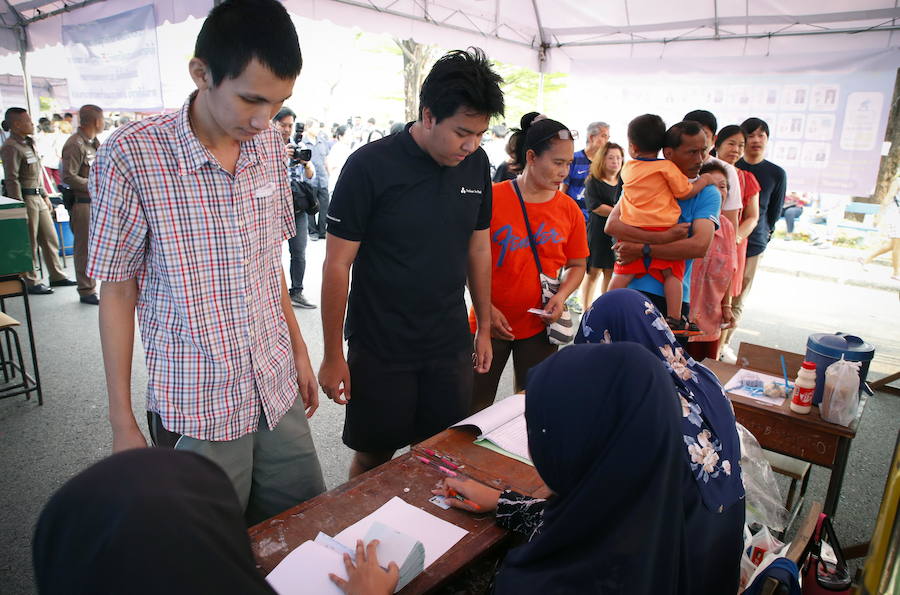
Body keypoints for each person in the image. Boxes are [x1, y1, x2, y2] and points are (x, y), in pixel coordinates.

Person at [87, 0, 325, 524]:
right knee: (207, 548)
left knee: (302, 520)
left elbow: (268, 264)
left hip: (272, 376)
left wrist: (300, 352)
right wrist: (121, 418)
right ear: (201, 74)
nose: (265, 119)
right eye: (250, 100)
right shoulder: (132, 155)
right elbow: (118, 291)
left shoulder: (267, 145)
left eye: (280, 102)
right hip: (197, 395)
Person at [336, 342, 689, 594]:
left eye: (540, 429)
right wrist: (503, 501)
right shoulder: (653, 510)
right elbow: (576, 520)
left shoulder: (546, 583)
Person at [320, 48, 503, 478]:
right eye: (462, 132)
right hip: (381, 344)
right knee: (374, 456)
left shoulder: (476, 164)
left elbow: (478, 247)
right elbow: (336, 265)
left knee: (440, 452)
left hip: (448, 341)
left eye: (479, 133)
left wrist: (485, 328)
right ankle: (361, 535)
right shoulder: (370, 166)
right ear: (428, 116)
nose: (471, 144)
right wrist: (331, 355)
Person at [576, 288, 745, 594]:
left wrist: (505, 502)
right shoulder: (702, 378)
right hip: (718, 563)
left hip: (671, 574)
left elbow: (594, 530)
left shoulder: (642, 420)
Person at [468, 116, 588, 413]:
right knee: (472, 403)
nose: (564, 172)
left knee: (532, 406)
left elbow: (577, 264)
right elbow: (465, 259)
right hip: (488, 323)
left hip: (540, 324)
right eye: (557, 162)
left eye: (568, 163)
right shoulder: (492, 197)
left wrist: (561, 297)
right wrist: (486, 309)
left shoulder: (569, 209)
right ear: (531, 157)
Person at [605, 120, 721, 347]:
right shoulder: (645, 180)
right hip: (631, 292)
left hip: (671, 303)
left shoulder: (708, 193)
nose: (700, 160)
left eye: (703, 151)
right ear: (668, 152)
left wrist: (642, 249)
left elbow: (699, 246)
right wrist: (662, 238)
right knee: (616, 369)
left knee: (663, 375)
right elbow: (612, 225)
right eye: (691, 152)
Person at [721, 117, 786, 362]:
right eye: (752, 136)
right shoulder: (728, 169)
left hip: (752, 243)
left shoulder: (775, 173)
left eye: (762, 135)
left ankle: (724, 344)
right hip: (721, 241)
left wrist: (761, 235)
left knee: (738, 295)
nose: (756, 140)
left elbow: (774, 211)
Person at [1, 107, 75, 295]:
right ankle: (31, 280)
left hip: (37, 196)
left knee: (49, 237)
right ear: (17, 124)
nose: (32, 124)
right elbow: (12, 178)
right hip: (25, 198)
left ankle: (57, 275)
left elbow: (36, 174)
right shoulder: (11, 146)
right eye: (27, 121)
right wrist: (18, 206)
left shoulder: (28, 143)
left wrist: (43, 195)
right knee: (29, 241)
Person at [686, 162, 737, 362]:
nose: (718, 192)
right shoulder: (686, 220)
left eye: (723, 186)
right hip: (679, 320)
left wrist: (727, 307)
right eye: (711, 186)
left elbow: (731, 270)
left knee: (703, 381)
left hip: (710, 322)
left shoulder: (727, 227)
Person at [59, 104, 104, 306]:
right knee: (83, 248)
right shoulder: (75, 144)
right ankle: (86, 289)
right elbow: (68, 176)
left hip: (95, 203)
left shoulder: (93, 143)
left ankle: (92, 285)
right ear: (96, 121)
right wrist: (94, 184)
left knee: (94, 246)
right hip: (82, 203)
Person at [273, 107, 317, 309]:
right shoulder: (266, 148)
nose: (287, 129)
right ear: (273, 124)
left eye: (290, 125)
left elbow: (310, 175)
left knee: (298, 251)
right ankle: (273, 295)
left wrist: (306, 163)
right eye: (283, 125)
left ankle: (296, 291)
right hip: (272, 211)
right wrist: (281, 156)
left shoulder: (297, 147)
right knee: (270, 254)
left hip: (296, 209)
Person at [713, 125, 760, 305]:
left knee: (727, 301)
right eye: (731, 143)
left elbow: (752, 217)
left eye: (741, 145)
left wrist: (735, 237)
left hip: (734, 242)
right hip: (705, 239)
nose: (736, 149)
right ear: (717, 143)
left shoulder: (748, 178)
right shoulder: (705, 170)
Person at [683, 109, 744, 231]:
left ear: (714, 140)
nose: (697, 140)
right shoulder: (672, 166)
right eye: (692, 134)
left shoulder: (727, 170)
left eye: (704, 135)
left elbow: (730, 219)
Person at [580, 141, 623, 306]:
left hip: (616, 233)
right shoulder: (593, 181)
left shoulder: (624, 182)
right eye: (611, 157)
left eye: (619, 158)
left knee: (610, 272)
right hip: (598, 232)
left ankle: (605, 309)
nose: (615, 161)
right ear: (602, 160)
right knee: (593, 272)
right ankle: (586, 310)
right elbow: (596, 207)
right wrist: (618, 212)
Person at [561, 120, 609, 219]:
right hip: (573, 216)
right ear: (591, 137)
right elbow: (562, 190)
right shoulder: (573, 159)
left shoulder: (606, 163)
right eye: (603, 136)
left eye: (607, 137)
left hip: (596, 220)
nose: (606, 141)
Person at [861, 176, 900, 281]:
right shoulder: (898, 181)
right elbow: (888, 198)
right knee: (897, 246)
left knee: (892, 245)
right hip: (895, 215)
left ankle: (866, 259)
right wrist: (879, 215)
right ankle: (896, 273)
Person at [304, 117, 331, 240]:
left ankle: (322, 230)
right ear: (308, 128)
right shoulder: (303, 143)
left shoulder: (322, 141)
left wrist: (328, 173)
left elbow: (325, 159)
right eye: (314, 127)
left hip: (323, 178)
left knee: (324, 205)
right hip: (310, 180)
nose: (317, 130)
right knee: (311, 206)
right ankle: (312, 231)